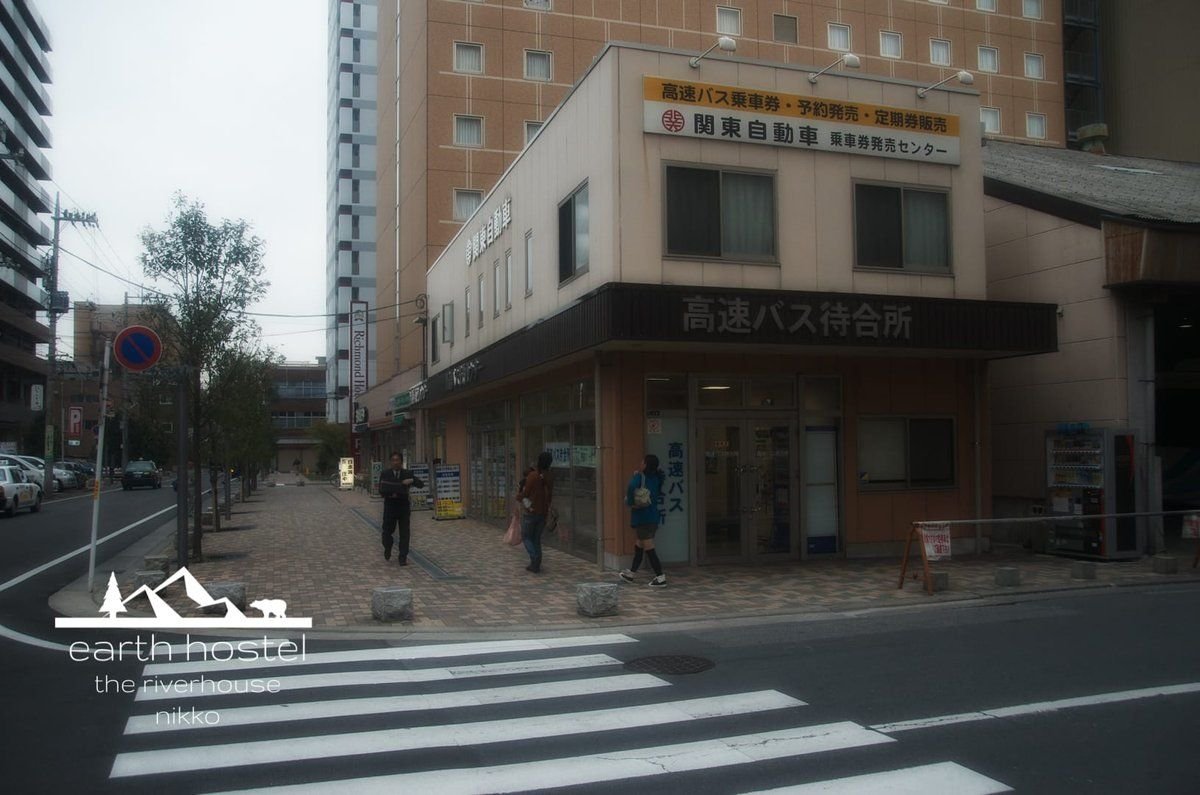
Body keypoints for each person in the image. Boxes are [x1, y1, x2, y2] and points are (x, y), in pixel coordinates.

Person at [619, 454, 667, 588]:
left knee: (649, 548)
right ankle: (631, 573)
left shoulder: (639, 478)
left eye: (642, 462)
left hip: (643, 518)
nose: (640, 463)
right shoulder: (657, 478)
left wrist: (629, 501)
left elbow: (630, 492)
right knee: (639, 545)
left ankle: (660, 576)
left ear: (645, 464)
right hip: (653, 517)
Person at [378, 452, 424, 565]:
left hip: (403, 506)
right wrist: (392, 491)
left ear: (401, 461)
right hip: (390, 506)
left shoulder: (407, 473)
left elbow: (421, 484)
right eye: (393, 460)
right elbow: (381, 489)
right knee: (386, 532)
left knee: (405, 533)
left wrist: (412, 480)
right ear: (390, 462)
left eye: (397, 460)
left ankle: (402, 557)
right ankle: (388, 547)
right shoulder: (385, 473)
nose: (395, 462)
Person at [516, 451, 554, 573]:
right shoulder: (549, 476)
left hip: (531, 511)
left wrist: (519, 495)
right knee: (536, 538)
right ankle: (536, 564)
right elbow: (550, 496)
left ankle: (534, 558)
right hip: (543, 513)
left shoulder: (533, 475)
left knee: (526, 536)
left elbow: (525, 494)